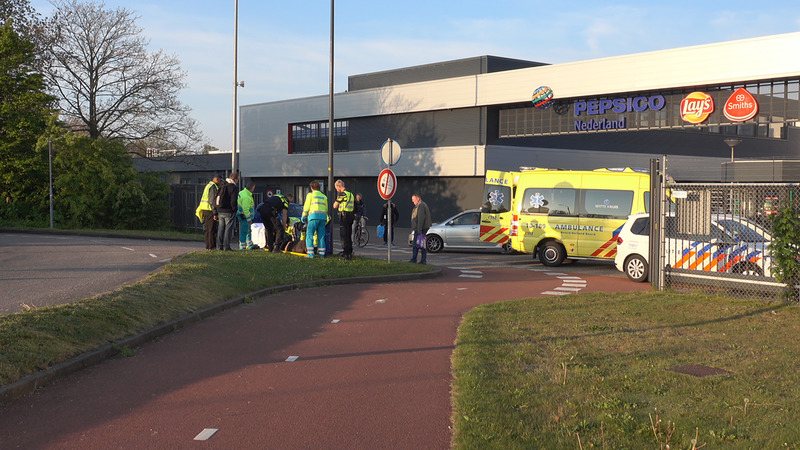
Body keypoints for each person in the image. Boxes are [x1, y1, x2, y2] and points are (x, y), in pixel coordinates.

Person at [302, 181, 328, 258]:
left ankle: (310, 254)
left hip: (313, 217)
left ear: (311, 188)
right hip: (323, 218)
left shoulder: (310, 195)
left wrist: (303, 216)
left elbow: (306, 207)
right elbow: (326, 209)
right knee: (321, 236)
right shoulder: (324, 196)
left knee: (310, 235)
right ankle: (321, 254)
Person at [196, 174, 222, 250]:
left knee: (207, 230)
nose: (221, 183)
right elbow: (212, 201)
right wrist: (215, 213)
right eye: (220, 180)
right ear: (217, 179)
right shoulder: (213, 187)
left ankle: (208, 246)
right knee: (212, 230)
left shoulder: (208, 185)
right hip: (210, 210)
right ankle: (211, 247)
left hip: (205, 209)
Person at [215, 172, 239, 251]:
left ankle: (219, 246)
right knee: (228, 229)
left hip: (220, 210)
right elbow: (233, 200)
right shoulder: (233, 187)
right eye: (237, 180)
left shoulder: (223, 186)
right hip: (229, 211)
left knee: (221, 228)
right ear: (235, 179)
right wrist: (234, 209)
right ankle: (226, 246)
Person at [333, 179, 355, 260]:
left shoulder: (342, 194)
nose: (336, 190)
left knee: (344, 235)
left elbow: (335, 206)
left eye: (336, 188)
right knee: (349, 235)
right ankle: (350, 252)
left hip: (344, 216)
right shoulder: (351, 194)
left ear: (339, 186)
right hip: (350, 216)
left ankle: (345, 253)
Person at [409, 193, 432, 264]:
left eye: (413, 200)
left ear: (418, 199)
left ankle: (414, 259)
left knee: (416, 245)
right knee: (422, 244)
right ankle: (423, 260)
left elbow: (420, 218)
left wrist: (419, 230)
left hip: (420, 228)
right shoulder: (421, 205)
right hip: (422, 228)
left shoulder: (421, 205)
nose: (412, 201)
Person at [237, 180, 256, 250]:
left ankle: (249, 244)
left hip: (242, 215)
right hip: (245, 216)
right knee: (244, 231)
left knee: (247, 230)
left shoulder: (242, 193)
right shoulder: (247, 197)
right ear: (252, 188)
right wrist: (249, 219)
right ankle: (242, 247)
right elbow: (246, 209)